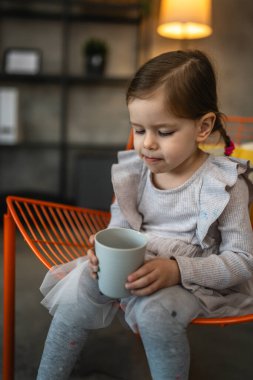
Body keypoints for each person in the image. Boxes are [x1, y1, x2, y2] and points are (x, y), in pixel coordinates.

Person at [37, 50, 253, 380]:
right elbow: (118, 227)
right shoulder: (134, 174)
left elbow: (242, 261)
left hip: (193, 282)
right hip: (132, 267)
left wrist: (178, 269)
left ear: (203, 127)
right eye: (139, 130)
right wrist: (101, 250)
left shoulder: (224, 184)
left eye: (164, 132)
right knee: (81, 286)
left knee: (155, 313)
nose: (147, 144)